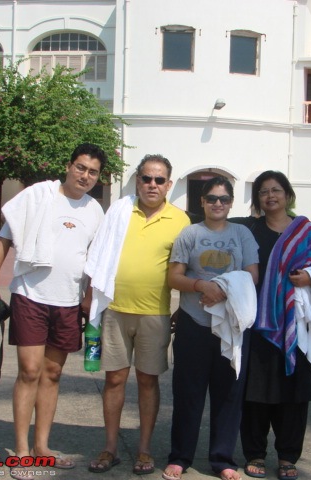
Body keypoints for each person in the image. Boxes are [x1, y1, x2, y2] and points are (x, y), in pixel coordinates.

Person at [0, 143, 107, 480]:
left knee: (52, 374)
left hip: (67, 302)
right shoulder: (37, 198)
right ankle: (21, 451)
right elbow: (4, 239)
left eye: (92, 171)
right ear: (68, 166)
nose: (85, 176)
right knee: (30, 371)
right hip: (30, 295)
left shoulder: (95, 211)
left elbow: (94, 260)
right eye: (80, 167)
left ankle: (42, 448)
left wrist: (89, 297)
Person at [85, 154, 190, 475]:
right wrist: (89, 298)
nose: (152, 185)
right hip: (114, 310)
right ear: (137, 181)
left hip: (154, 315)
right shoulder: (118, 212)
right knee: (114, 379)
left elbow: (187, 268)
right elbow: (99, 252)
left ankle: (144, 450)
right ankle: (110, 448)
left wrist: (182, 311)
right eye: (146, 178)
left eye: (160, 180)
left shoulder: (181, 221)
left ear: (169, 185)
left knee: (147, 381)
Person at [232, 171, 311, 480]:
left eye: (276, 190)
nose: (270, 196)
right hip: (257, 324)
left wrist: (310, 278)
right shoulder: (248, 230)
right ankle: (254, 453)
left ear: (288, 195)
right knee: (255, 392)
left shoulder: (307, 233)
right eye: (263, 192)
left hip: (296, 327)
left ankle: (288, 456)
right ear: (257, 199)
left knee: (293, 394)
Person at [162, 176, 259, 480]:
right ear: (201, 202)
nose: (218, 204)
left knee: (228, 395)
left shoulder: (242, 234)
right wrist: (200, 284)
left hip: (231, 325)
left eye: (224, 199)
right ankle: (180, 456)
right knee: (188, 394)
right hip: (194, 323)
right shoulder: (190, 234)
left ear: (231, 203)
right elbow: (174, 276)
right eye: (212, 198)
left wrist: (223, 290)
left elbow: (252, 275)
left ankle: (222, 459)